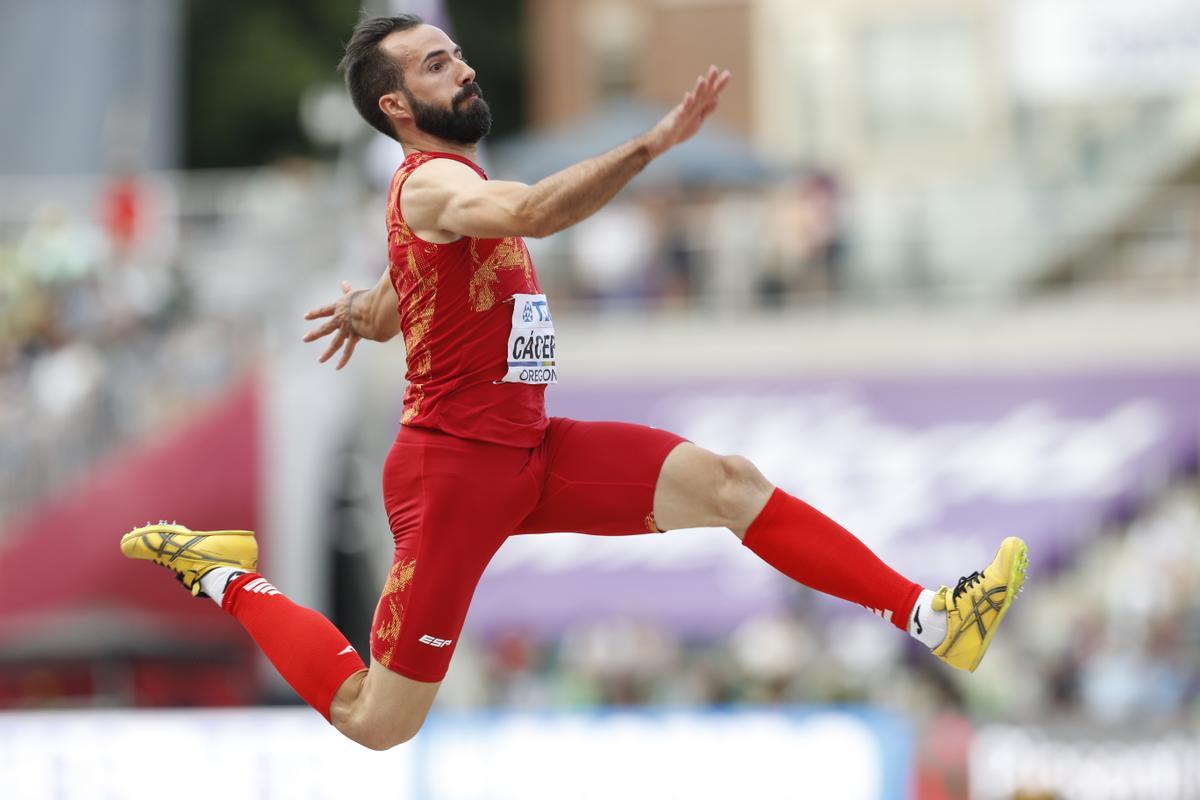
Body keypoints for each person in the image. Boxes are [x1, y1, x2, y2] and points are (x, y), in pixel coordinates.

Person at [120, 15, 1027, 751]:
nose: (465, 69)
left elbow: (418, 287)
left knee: (731, 484)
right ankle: (224, 577)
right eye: (440, 66)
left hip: (530, 450)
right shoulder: (434, 182)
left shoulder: (442, 190)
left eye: (459, 54)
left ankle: (932, 615)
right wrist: (650, 147)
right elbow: (532, 212)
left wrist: (370, 306)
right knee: (375, 721)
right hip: (456, 476)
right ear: (398, 106)